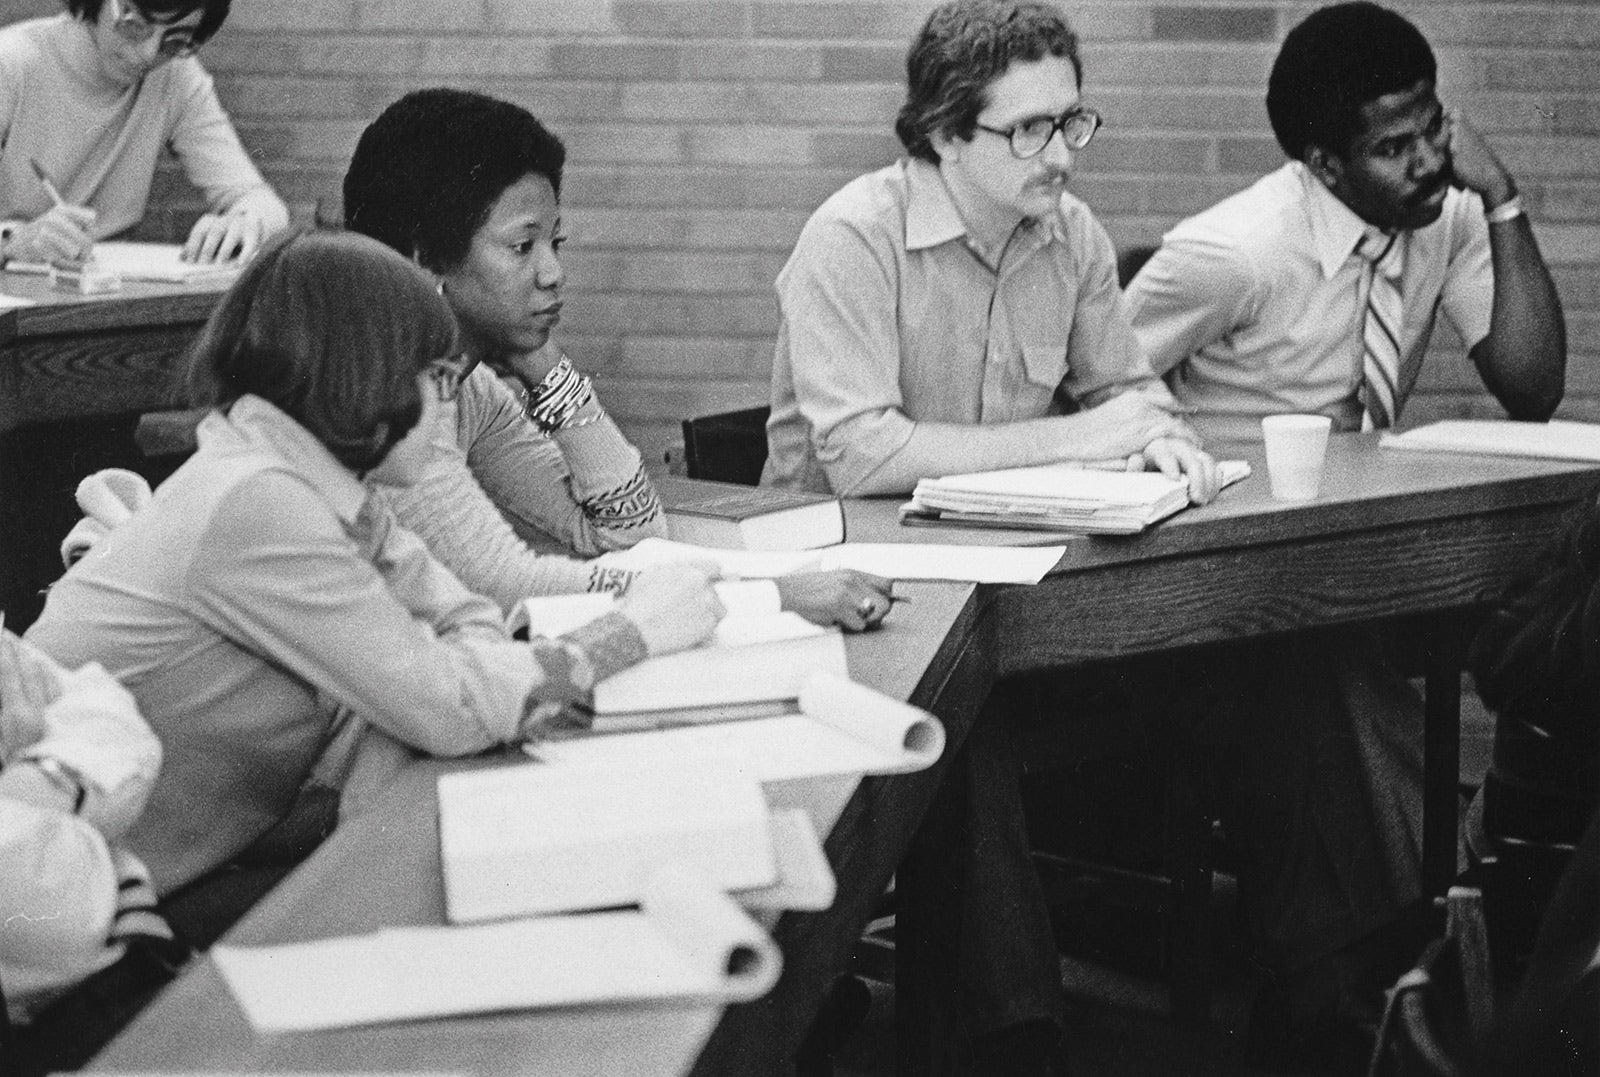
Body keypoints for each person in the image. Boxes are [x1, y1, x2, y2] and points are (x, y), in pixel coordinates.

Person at [23, 231, 723, 909]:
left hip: (191, 857)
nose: (446, 403)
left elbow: (463, 619)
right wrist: (629, 633)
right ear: (366, 373)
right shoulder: (259, 500)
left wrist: (473, 688)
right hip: (90, 902)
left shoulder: (317, 477)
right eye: (437, 377)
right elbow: (449, 707)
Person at [1122, 1, 1567, 1064]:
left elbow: (1531, 386)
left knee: (1506, 611)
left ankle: (1370, 962)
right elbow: (1088, 387)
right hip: (1210, 577)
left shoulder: (1445, 216)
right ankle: (1420, 938)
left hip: (1351, 566)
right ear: (1323, 163)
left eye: (1432, 129)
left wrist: (1500, 203)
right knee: (1316, 663)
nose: (1426, 162)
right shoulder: (1233, 252)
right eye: (1390, 147)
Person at [342, 87, 895, 631]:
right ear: (423, 260)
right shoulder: (378, 395)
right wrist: (771, 595)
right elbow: (507, 585)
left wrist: (549, 371)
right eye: (521, 247)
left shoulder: (471, 389)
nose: (552, 273)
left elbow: (628, 533)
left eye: (555, 244)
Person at [760, 0, 1219, 501]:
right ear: (945, 135)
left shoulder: (1073, 232)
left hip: (1012, 540)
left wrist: (1161, 440)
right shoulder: (853, 237)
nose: (1061, 157)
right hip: (842, 550)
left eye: (1070, 123)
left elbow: (1127, 397)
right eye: (1029, 130)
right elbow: (863, 459)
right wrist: (1078, 436)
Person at [0, 629, 185, 1075]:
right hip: (49, 1026)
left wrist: (47, 779)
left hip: (140, 951)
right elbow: (50, 919)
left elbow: (105, 711)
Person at [0, 0, 290, 267]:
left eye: (175, 40)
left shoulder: (176, 77)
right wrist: (12, 241)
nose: (149, 54)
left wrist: (245, 222)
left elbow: (260, 201)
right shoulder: (11, 62)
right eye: (134, 25)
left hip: (101, 294)